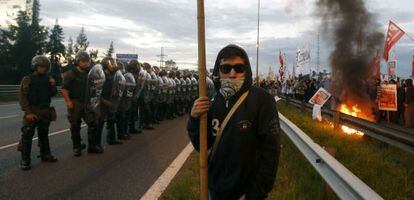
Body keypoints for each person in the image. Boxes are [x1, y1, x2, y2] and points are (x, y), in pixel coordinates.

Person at [187, 44, 281, 199]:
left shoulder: (263, 100)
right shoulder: (212, 101)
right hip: (216, 190)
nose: (232, 74)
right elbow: (201, 145)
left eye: (238, 68)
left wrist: (255, 194)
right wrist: (194, 119)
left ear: (247, 70)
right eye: (226, 68)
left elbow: (271, 152)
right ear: (218, 71)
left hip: (247, 193)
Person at [19, 55, 58, 170]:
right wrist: (28, 112)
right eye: (41, 66)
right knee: (27, 135)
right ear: (35, 66)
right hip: (32, 110)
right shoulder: (28, 79)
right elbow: (23, 98)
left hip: (45, 111)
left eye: (45, 67)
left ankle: (45, 154)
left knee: (44, 134)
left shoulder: (48, 79)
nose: (43, 69)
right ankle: (25, 160)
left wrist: (52, 84)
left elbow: (53, 93)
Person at [62, 51, 103, 156]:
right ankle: (77, 147)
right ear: (78, 61)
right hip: (76, 102)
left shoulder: (90, 73)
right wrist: (68, 102)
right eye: (83, 61)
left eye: (87, 61)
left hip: (88, 102)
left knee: (93, 124)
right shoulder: (71, 73)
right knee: (75, 125)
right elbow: (64, 89)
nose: (85, 63)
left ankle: (92, 146)